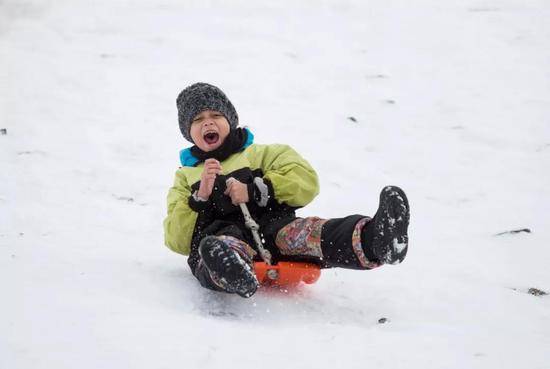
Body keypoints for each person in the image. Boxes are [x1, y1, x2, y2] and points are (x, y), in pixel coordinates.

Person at [163, 82, 410, 298]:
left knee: (308, 233)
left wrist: (255, 190)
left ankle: (377, 239)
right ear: (189, 132)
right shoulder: (186, 177)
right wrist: (201, 197)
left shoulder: (262, 154)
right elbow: (177, 239)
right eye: (197, 119)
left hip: (274, 229)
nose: (207, 121)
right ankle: (234, 273)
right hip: (224, 238)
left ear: (230, 120)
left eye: (215, 114)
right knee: (219, 248)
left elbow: (305, 180)